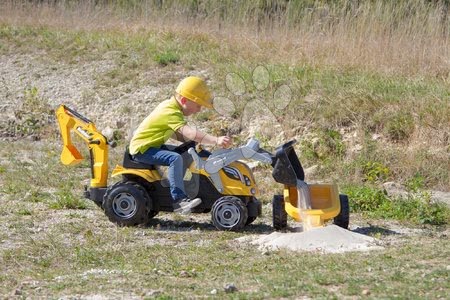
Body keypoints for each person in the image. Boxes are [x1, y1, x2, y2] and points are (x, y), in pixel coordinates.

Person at [129, 76, 232, 213]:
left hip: (152, 145)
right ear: (184, 100)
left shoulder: (172, 107)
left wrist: (192, 144)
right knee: (175, 158)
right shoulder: (170, 111)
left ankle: (185, 186)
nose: (199, 110)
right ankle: (179, 201)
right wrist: (215, 140)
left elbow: (175, 133)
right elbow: (189, 133)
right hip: (143, 149)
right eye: (197, 105)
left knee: (187, 152)